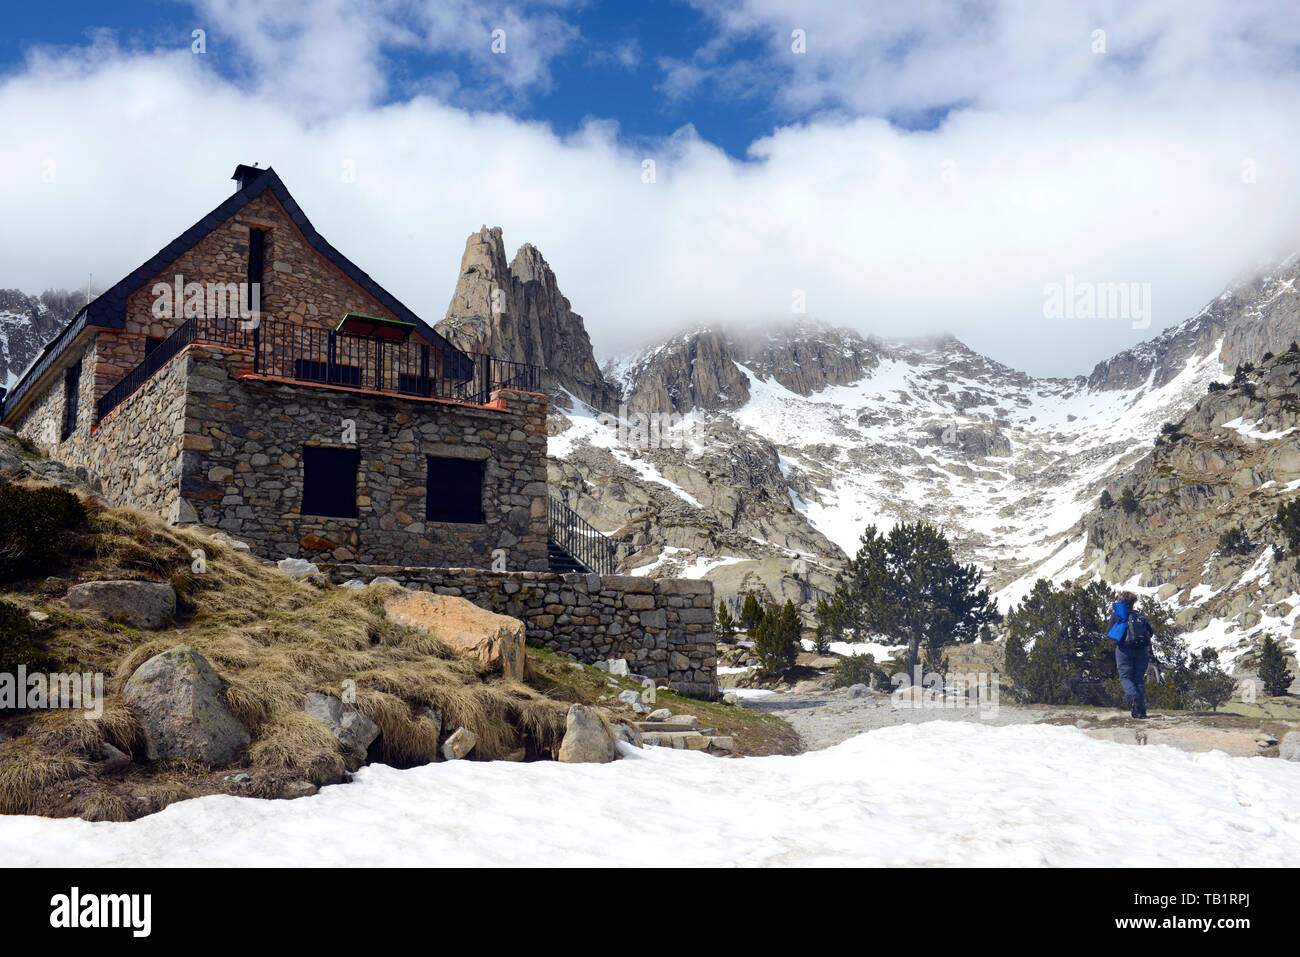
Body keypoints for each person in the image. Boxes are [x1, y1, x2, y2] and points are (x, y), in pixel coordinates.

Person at [1107, 590, 1148, 719]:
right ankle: (1141, 710)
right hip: (1141, 650)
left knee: (1126, 677)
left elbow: (1109, 632)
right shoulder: (1140, 616)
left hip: (1124, 650)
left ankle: (1133, 700)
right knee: (1139, 678)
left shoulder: (1118, 616)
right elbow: (1150, 633)